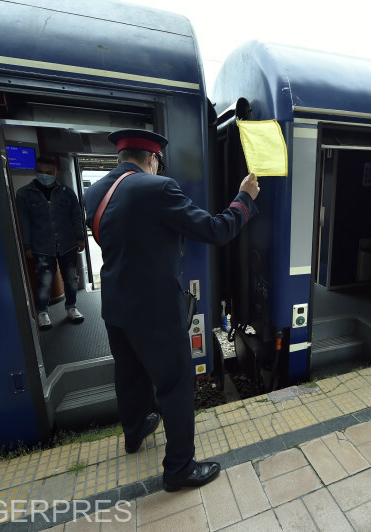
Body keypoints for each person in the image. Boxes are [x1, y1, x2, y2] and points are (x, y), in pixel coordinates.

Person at [83, 129, 259, 492]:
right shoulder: (158, 188)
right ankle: (179, 469)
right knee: (176, 385)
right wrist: (244, 198)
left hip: (115, 304)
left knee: (129, 375)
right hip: (156, 311)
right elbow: (215, 230)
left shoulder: (95, 192)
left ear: (121, 157)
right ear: (152, 159)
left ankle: (134, 433)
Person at [15, 156, 86, 329]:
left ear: (56, 173)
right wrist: (27, 246)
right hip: (41, 245)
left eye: (48, 173)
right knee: (44, 280)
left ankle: (71, 308)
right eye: (41, 172)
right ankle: (42, 312)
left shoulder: (67, 192)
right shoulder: (24, 194)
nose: (44, 175)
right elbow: (23, 222)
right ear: (35, 171)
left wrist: (80, 238)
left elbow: (76, 217)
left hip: (67, 243)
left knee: (71, 279)